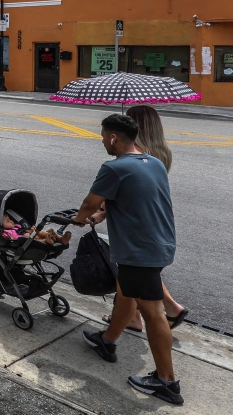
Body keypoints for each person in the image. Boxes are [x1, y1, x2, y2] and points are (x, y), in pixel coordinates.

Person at [72, 114, 183, 406]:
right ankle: (107, 341)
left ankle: (167, 381)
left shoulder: (114, 167)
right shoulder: (153, 163)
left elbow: (88, 203)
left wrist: (81, 218)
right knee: (126, 293)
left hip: (138, 251)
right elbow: (135, 196)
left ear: (113, 138)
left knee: (152, 313)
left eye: (102, 136)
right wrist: (103, 213)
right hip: (160, 244)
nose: (102, 141)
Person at [93, 105, 189, 332]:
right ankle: (166, 310)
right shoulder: (162, 153)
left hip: (135, 229)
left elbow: (126, 189)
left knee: (130, 279)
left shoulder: (139, 155)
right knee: (142, 276)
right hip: (156, 227)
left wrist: (100, 210)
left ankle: (123, 328)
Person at [1, 212, 71, 245]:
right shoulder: (6, 232)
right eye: (8, 221)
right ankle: (46, 241)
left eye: (10, 219)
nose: (11, 221)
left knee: (39, 231)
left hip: (31, 236)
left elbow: (26, 229)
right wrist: (23, 237)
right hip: (23, 242)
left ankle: (60, 239)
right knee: (33, 240)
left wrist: (31, 230)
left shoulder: (17, 226)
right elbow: (10, 239)